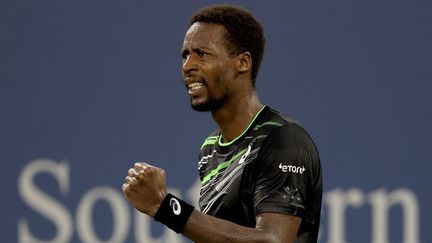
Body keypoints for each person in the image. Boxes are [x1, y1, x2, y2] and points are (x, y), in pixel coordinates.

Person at [122, 4, 322, 243]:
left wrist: (165, 207)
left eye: (202, 54)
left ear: (243, 63)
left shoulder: (283, 140)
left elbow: (273, 240)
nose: (188, 66)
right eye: (185, 55)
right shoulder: (209, 150)